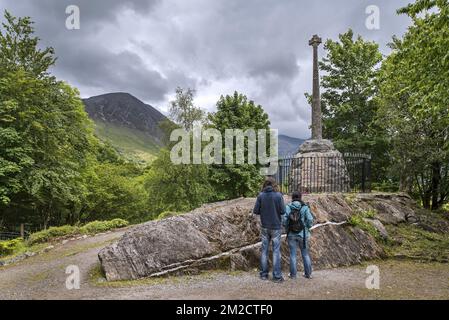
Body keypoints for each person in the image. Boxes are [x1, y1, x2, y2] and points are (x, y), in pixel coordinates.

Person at [253, 177, 285, 283]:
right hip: (276, 227)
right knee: (276, 251)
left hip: (264, 226)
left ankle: (263, 274)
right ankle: (277, 276)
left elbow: (256, 211)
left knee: (264, 251)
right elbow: (283, 211)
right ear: (274, 185)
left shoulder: (260, 196)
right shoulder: (279, 196)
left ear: (265, 185)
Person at [283, 191, 313, 279]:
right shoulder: (305, 207)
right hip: (303, 234)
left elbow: (284, 220)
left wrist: (288, 227)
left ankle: (293, 275)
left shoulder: (288, 206)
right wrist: (307, 227)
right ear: (300, 197)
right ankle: (308, 274)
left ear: (292, 197)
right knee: (305, 254)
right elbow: (310, 219)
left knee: (292, 254)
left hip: (291, 234)